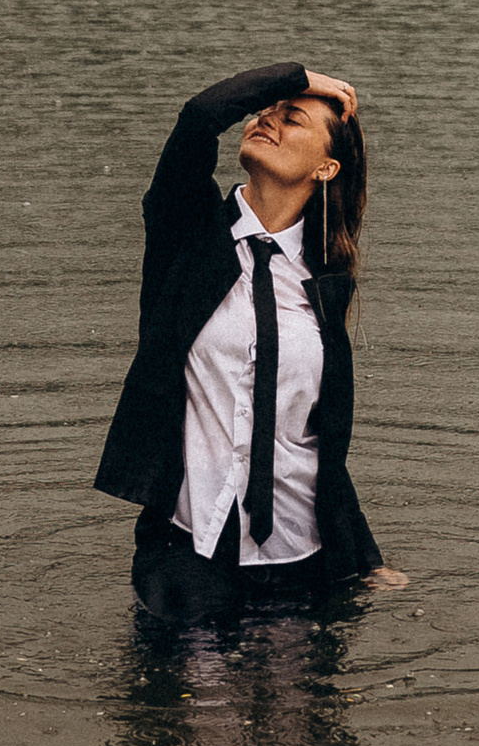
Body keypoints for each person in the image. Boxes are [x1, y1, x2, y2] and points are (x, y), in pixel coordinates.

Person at [94, 60, 404, 619]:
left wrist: (364, 559)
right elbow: (198, 119)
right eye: (265, 110)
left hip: (303, 558)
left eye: (293, 119)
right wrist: (298, 79)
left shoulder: (324, 279)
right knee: (197, 697)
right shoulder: (186, 239)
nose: (268, 119)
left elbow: (312, 439)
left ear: (326, 168)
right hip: (187, 551)